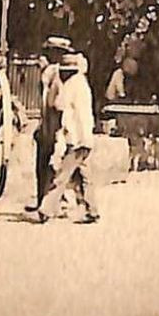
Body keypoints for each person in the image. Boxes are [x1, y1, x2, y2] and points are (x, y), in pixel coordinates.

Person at [31, 52, 99, 224]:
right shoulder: (83, 85)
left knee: (61, 176)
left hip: (75, 138)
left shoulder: (70, 86)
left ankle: (46, 209)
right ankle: (93, 210)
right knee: (84, 175)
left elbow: (57, 104)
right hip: (85, 137)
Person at [28, 36, 72, 211]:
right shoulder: (53, 71)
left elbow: (57, 103)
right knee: (48, 163)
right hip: (49, 123)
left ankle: (49, 201)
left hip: (55, 125)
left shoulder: (57, 73)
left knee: (50, 163)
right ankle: (46, 200)